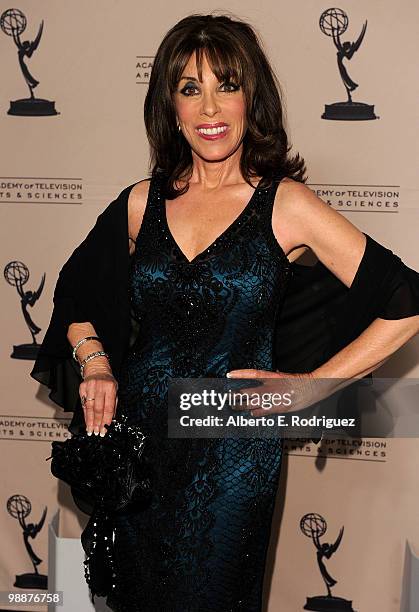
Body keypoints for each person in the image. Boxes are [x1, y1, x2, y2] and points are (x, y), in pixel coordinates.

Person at [30, 13, 419, 612]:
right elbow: (78, 297)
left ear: (250, 96)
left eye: (226, 85)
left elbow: (406, 302)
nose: (210, 108)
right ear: (171, 105)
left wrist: (311, 389)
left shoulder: (283, 203)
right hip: (139, 447)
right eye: (191, 88)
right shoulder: (142, 203)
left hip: (232, 447)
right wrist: (98, 365)